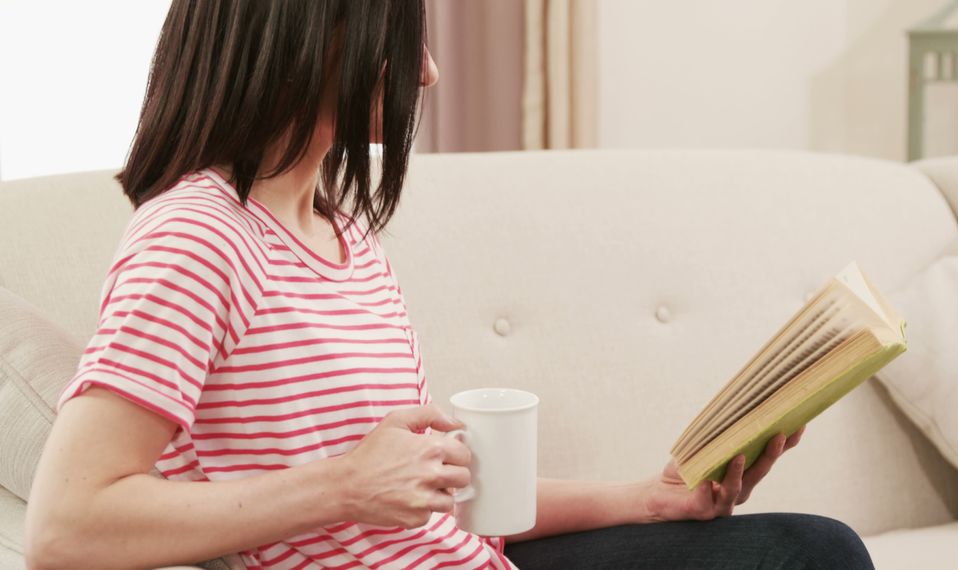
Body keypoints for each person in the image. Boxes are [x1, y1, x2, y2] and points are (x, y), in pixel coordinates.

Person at [24, 1, 874, 569]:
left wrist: (652, 500)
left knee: (810, 548)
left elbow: (447, 500)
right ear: (318, 36)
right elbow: (66, 524)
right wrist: (343, 485)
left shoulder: (343, 232)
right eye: (404, 39)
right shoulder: (194, 237)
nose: (426, 72)